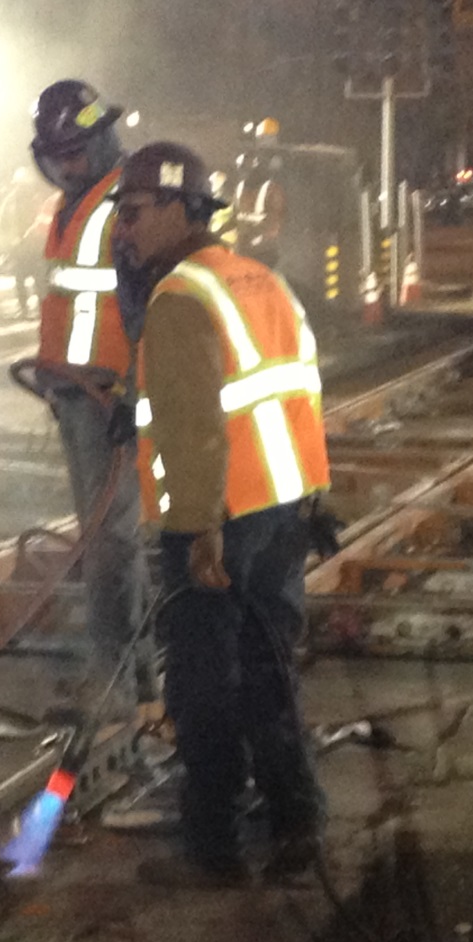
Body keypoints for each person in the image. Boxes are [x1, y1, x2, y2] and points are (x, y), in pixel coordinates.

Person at [111, 141, 329, 888]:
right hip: (284, 506)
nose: (125, 230)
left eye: (135, 213)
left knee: (202, 687)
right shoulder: (260, 278)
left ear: (177, 209)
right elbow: (297, 387)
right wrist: (313, 496)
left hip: (218, 517)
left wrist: (197, 528)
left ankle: (214, 844)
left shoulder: (180, 296)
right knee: (270, 671)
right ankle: (298, 820)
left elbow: (196, 424)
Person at [26, 79, 157, 719]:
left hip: (111, 400)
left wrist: (135, 393)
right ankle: (136, 677)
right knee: (101, 540)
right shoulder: (74, 204)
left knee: (112, 542)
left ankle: (118, 686)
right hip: (77, 397)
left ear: (101, 137)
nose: (69, 163)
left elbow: (153, 309)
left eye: (78, 151)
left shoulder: (123, 205)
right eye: (60, 154)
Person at [0, 166, 54, 319]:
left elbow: (45, 221)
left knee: (40, 280)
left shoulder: (36, 200)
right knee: (20, 280)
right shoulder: (9, 204)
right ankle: (24, 310)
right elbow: (2, 226)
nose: (24, 188)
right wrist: (7, 248)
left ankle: (43, 310)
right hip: (18, 249)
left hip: (35, 248)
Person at [234, 119, 287, 270]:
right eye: (263, 138)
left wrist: (258, 240)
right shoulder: (242, 189)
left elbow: (275, 223)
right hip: (250, 252)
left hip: (263, 253)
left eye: (268, 138)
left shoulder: (272, 182)